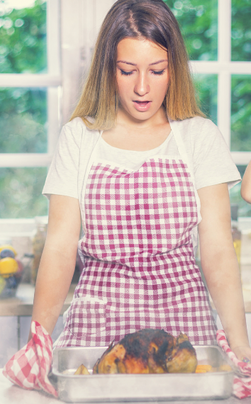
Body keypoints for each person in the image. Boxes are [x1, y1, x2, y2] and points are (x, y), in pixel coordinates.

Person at [33, 0, 250, 359]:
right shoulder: (79, 137)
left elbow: (217, 249)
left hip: (185, 323)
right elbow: (59, 248)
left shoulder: (199, 135)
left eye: (157, 70)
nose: (142, 89)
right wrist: (37, 343)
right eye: (128, 70)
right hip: (98, 327)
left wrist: (239, 344)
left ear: (174, 69)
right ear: (108, 70)